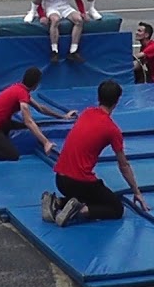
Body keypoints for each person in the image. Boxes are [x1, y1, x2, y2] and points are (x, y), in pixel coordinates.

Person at [42, 80, 148, 227]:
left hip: (60, 179)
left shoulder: (86, 113)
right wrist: (136, 192)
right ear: (117, 101)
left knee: (92, 195)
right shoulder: (112, 129)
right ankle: (80, 210)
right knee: (116, 208)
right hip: (79, 182)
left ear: (98, 98)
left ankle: (58, 202)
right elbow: (123, 165)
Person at [0, 67, 72, 161]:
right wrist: (46, 142)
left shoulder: (19, 88)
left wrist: (63, 116)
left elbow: (40, 108)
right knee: (12, 155)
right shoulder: (21, 93)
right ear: (36, 84)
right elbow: (28, 121)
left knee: (20, 126)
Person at [39, 0, 86, 64]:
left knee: (79, 20)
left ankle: (73, 51)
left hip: (64, 5)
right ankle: (54, 51)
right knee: (55, 20)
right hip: (51, 5)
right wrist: (42, 15)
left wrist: (82, 12)